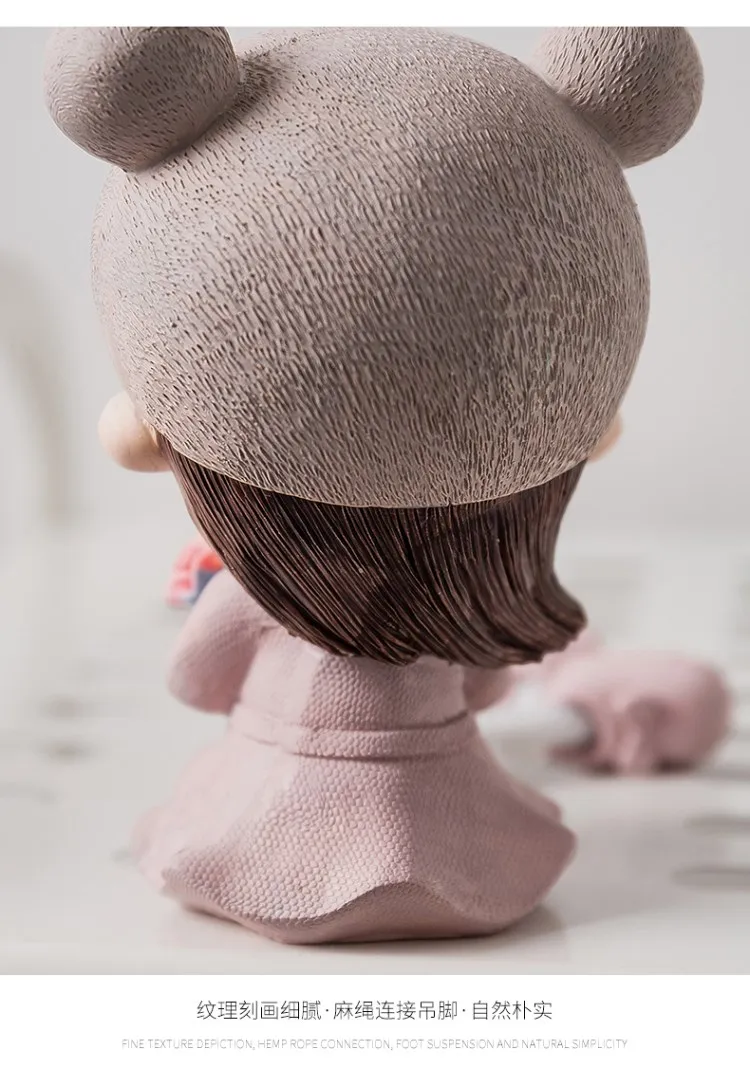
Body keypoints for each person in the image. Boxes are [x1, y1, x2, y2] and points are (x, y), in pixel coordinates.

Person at [45, 26, 712, 942]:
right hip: (462, 825)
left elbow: (194, 680)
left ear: (146, 433)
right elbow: (483, 693)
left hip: (271, 820)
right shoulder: (464, 608)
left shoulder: (252, 604)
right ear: (590, 433)